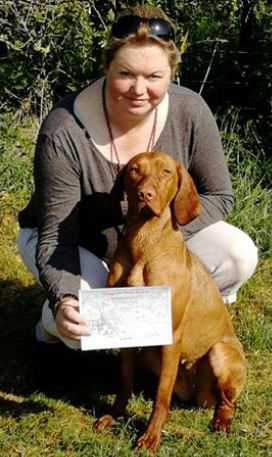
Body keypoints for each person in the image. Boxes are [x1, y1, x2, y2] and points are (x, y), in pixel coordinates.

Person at [17, 5, 258, 350]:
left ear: (171, 73)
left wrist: (159, 241)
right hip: (75, 244)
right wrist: (65, 300)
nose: (139, 89)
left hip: (156, 238)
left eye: (154, 77)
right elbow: (57, 237)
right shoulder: (63, 131)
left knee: (237, 254)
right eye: (126, 74)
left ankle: (163, 322)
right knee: (87, 310)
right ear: (106, 66)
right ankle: (49, 326)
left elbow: (219, 194)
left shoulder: (190, 111)